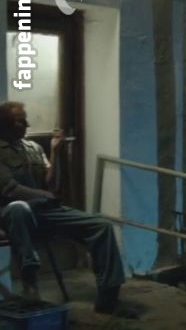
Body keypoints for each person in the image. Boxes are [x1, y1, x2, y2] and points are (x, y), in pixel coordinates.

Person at [0, 101, 135, 317]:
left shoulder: (33, 148)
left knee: (101, 226)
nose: (27, 124)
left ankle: (108, 299)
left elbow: (52, 184)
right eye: (20, 121)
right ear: (5, 124)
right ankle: (30, 284)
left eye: (25, 119)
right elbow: (10, 189)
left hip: (44, 210)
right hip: (10, 212)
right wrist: (43, 194)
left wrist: (56, 152)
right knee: (19, 208)